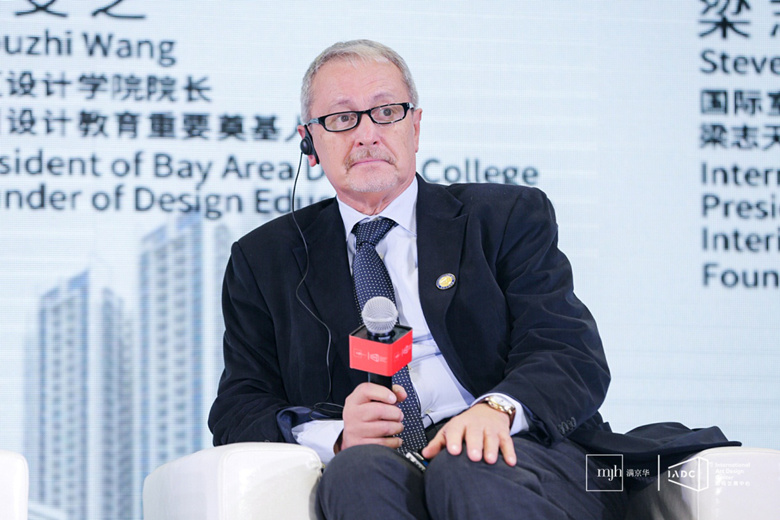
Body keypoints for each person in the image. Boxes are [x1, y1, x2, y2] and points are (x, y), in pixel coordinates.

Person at [208, 39, 734, 519]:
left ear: (415, 127)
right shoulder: (265, 259)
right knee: (354, 473)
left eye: (386, 112)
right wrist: (339, 436)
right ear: (309, 142)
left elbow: (569, 353)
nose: (367, 134)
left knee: (468, 464)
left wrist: (497, 409)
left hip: (523, 452)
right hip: (385, 462)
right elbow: (239, 407)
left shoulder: (503, 218)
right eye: (342, 118)